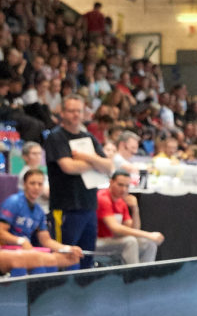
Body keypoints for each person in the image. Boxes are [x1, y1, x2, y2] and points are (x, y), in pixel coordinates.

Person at [44, 95, 114, 269]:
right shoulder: (56, 137)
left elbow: (108, 167)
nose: (75, 115)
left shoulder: (88, 137)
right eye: (71, 111)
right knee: (66, 257)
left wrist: (85, 157)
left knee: (86, 257)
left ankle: (83, 293)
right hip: (66, 206)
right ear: (62, 113)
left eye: (79, 111)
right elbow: (67, 166)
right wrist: (95, 163)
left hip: (88, 205)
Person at [0, 168, 80, 274]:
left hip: (27, 251)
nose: (36, 187)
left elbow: (46, 240)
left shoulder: (39, 211)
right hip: (8, 250)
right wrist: (21, 241)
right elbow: (1, 232)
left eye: (40, 184)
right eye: (32, 183)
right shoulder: (13, 202)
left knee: (70, 258)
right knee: (38, 266)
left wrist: (67, 248)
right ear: (24, 184)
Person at [95, 170, 163, 264]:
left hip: (114, 241)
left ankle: (145, 276)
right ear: (111, 182)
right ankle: (133, 276)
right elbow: (115, 228)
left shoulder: (121, 202)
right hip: (98, 242)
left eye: (127, 186)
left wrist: (135, 209)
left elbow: (134, 229)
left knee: (149, 243)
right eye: (120, 185)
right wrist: (149, 234)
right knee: (130, 241)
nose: (124, 190)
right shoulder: (102, 198)